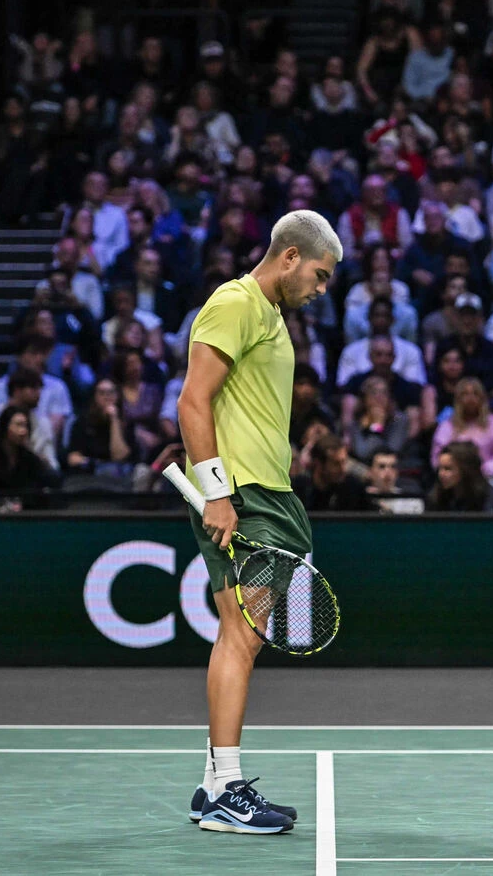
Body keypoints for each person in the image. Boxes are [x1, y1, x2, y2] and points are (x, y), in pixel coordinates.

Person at [177, 210, 341, 835]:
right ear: (291, 256)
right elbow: (194, 399)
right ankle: (226, 791)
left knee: (237, 633)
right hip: (244, 496)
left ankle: (213, 784)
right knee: (242, 636)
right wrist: (217, 493)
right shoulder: (238, 301)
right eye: (320, 276)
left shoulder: (268, 315)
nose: (320, 290)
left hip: (267, 493)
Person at [0, 367, 59, 475]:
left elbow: (53, 465)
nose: (39, 394)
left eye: (40, 388)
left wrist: (40, 463)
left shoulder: (43, 423)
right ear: (17, 390)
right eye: (33, 388)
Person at [0, 405, 56, 511]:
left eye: (26, 426)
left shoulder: (31, 460)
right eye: (19, 425)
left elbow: (37, 495)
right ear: (5, 427)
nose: (23, 431)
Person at [427, 440, 493, 511]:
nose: (441, 474)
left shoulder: (487, 495)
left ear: (465, 470)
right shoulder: (436, 496)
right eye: (440, 468)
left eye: (448, 469)